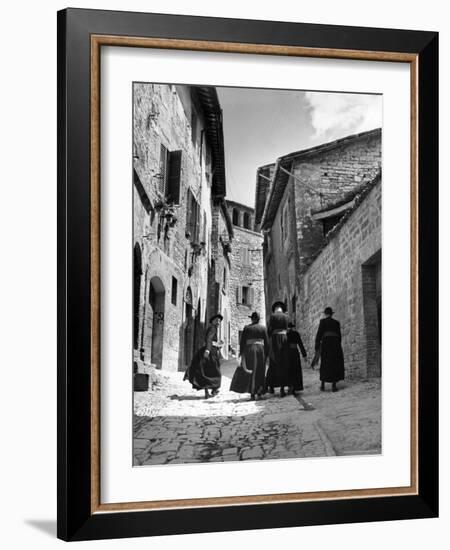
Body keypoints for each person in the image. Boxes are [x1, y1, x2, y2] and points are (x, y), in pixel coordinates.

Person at [230, 312, 269, 400]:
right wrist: (266, 354)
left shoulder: (247, 328)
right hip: (260, 350)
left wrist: (241, 353)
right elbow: (267, 342)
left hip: (249, 350)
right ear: (259, 319)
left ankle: (252, 393)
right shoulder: (263, 328)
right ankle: (259, 392)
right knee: (260, 370)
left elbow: (242, 342)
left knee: (251, 370)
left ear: (252, 319)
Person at [183, 314, 223, 398]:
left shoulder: (212, 328)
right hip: (211, 352)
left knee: (205, 371)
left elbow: (211, 341)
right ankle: (214, 389)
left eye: (219, 321)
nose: (218, 322)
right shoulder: (212, 328)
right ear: (213, 321)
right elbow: (208, 339)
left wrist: (217, 344)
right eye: (217, 320)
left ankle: (208, 391)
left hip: (211, 350)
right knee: (215, 372)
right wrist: (208, 350)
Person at [314, 307, 345, 392]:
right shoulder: (336, 323)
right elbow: (339, 336)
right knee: (334, 363)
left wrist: (317, 346)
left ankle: (322, 385)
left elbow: (319, 334)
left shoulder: (322, 322)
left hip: (326, 344)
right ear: (331, 314)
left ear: (325, 314)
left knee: (325, 363)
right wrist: (338, 345)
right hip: (335, 344)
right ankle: (334, 386)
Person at [265, 301, 290, 397]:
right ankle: (283, 388)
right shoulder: (287, 317)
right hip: (284, 340)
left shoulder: (272, 317)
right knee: (284, 363)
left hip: (274, 340)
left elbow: (269, 331)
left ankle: (271, 387)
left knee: (273, 362)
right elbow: (289, 329)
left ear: (275, 309)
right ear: (282, 309)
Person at [286, 322, 307, 395]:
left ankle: (290, 386)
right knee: (295, 369)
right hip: (295, 352)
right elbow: (300, 344)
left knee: (289, 369)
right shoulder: (296, 333)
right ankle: (295, 387)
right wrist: (304, 355)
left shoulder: (286, 334)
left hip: (288, 353)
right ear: (293, 327)